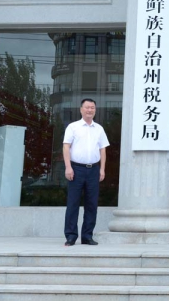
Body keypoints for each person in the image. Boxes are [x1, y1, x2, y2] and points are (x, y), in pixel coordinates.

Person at [63, 98, 109, 246]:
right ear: (81, 109)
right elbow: (66, 147)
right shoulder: (73, 127)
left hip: (93, 169)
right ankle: (71, 236)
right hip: (76, 169)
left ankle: (87, 236)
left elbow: (103, 149)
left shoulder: (99, 129)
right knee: (73, 203)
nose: (90, 110)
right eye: (87, 107)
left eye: (93, 108)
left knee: (91, 204)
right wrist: (68, 167)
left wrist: (102, 169)